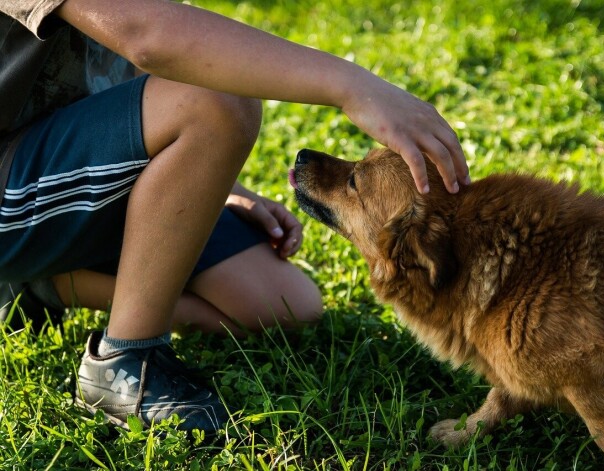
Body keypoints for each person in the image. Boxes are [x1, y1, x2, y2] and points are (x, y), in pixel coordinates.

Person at [0, 0, 470, 435]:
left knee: (282, 305)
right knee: (218, 100)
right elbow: (147, 36)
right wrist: (355, 87)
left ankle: (42, 285)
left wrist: (211, 182)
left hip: (63, 164)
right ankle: (125, 361)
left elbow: (118, 68)